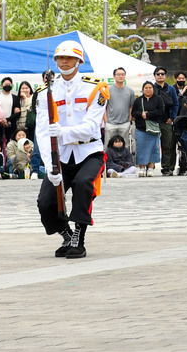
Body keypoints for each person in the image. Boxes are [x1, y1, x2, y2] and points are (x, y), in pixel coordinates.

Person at [35, 42, 107, 258]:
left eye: (69, 58)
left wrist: (64, 132)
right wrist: (51, 168)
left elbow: (92, 126)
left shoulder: (95, 87)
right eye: (60, 58)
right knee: (46, 201)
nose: (64, 61)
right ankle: (65, 234)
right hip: (61, 155)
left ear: (79, 61)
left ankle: (79, 236)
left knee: (82, 184)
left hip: (89, 151)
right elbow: (41, 132)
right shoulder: (44, 92)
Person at [131, 80, 165, 177]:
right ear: (143, 89)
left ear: (153, 89)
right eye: (146, 88)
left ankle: (151, 167)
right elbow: (134, 112)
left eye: (150, 88)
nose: (148, 89)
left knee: (153, 148)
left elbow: (161, 111)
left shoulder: (158, 99)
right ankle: (142, 167)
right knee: (141, 148)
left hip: (153, 128)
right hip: (141, 128)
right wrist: (141, 114)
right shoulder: (138, 100)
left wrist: (148, 114)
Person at [104, 68, 136, 156]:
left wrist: (129, 119)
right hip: (110, 122)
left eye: (122, 74)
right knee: (108, 145)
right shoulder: (108, 90)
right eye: (118, 74)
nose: (121, 76)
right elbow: (104, 106)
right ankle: (108, 163)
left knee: (125, 144)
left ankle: (124, 162)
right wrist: (106, 120)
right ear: (114, 76)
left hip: (124, 122)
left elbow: (131, 106)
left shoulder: (130, 91)